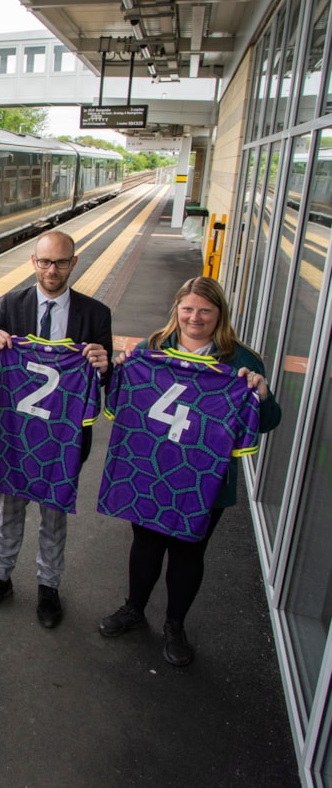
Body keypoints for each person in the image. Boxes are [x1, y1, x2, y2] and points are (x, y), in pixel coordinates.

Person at [97, 276, 281, 666]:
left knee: (188, 551)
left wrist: (262, 395)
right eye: (187, 309)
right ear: (176, 310)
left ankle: (175, 624)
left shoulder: (243, 361)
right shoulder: (152, 348)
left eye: (204, 311)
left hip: (204, 480)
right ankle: (134, 608)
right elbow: (122, 398)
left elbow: (267, 422)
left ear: (219, 314)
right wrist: (119, 370)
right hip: (151, 472)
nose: (194, 318)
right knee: (146, 544)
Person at [0, 230, 112, 628]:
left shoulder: (95, 314)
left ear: (74, 264)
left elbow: (103, 382)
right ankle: (0, 577)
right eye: (45, 262)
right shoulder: (13, 303)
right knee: (9, 509)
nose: (53, 270)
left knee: (54, 514)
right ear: (33, 262)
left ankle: (49, 586)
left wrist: (104, 367)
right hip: (18, 433)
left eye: (61, 262)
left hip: (64, 439)